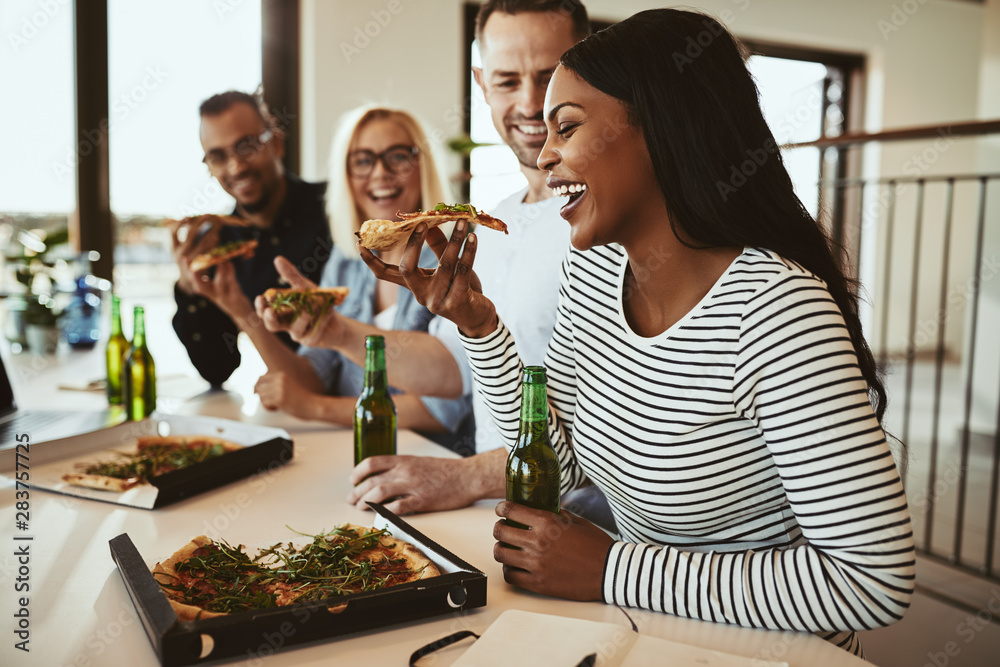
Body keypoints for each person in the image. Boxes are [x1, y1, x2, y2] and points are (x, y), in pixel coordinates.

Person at [362, 8, 915, 657]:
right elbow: (558, 462)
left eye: (566, 126)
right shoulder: (594, 273)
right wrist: (479, 326)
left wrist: (611, 568)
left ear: (658, 128)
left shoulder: (775, 310)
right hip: (641, 632)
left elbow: (873, 579)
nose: (544, 154)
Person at [345, 0, 604, 518]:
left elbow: (610, 433)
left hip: (586, 533)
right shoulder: (495, 220)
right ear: (482, 85)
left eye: (549, 78)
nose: (532, 104)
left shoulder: (608, 222)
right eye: (508, 81)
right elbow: (454, 370)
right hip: (494, 518)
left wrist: (463, 475)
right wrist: (327, 332)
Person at [215, 104, 471, 450]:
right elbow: (312, 376)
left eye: (397, 156)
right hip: (352, 452)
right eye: (363, 161)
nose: (380, 173)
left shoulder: (454, 256)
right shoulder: (348, 258)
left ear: (422, 164)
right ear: (347, 177)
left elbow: (444, 409)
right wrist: (237, 306)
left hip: (434, 459)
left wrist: (315, 408)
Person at [171, 90, 331, 387]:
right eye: (218, 156)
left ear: (277, 143)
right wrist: (190, 289)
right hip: (288, 410)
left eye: (246, 146)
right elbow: (217, 369)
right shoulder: (216, 244)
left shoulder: (337, 207)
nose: (236, 167)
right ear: (209, 167)